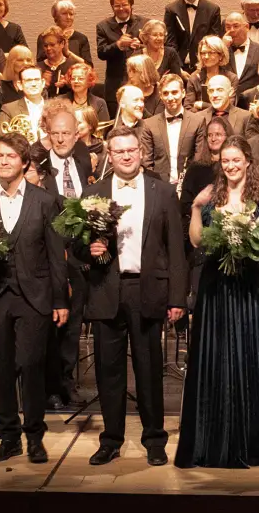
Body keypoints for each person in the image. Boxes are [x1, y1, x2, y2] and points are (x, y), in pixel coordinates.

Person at [78, 126, 187, 467]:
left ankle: (154, 439)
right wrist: (89, 248)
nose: (126, 156)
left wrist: (177, 298)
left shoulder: (163, 191)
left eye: (131, 150)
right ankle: (111, 440)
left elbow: (176, 250)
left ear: (140, 153)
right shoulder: (93, 192)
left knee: (149, 368)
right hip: (106, 289)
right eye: (119, 151)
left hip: (147, 289)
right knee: (108, 371)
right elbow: (76, 244)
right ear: (109, 155)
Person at [0, 133, 67, 464]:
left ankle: (35, 437)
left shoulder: (43, 200)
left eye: (10, 156)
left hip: (34, 296)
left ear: (24, 162)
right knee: (1, 368)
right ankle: (8, 436)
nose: (3, 161)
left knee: (31, 365)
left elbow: (56, 255)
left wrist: (60, 300)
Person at [32, 101, 95, 407]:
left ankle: (67, 381)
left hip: (80, 256)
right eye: (55, 133)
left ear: (75, 135)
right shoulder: (38, 165)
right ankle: (49, 385)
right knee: (51, 323)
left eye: (66, 133)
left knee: (74, 322)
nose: (60, 139)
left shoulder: (83, 160)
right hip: (49, 258)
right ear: (48, 133)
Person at [165, 0, 223, 72]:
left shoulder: (213, 10)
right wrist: (178, 68)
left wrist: (201, 67)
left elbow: (213, 41)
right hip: (178, 68)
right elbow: (170, 42)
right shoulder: (171, 10)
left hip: (204, 67)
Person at [96, 0, 149, 95]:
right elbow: (101, 53)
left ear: (131, 5)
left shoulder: (144, 23)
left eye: (124, 5)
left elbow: (153, 48)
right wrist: (118, 45)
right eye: (117, 6)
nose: (121, 8)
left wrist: (140, 46)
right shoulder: (102, 26)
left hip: (140, 82)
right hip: (115, 83)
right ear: (112, 7)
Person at [38, 0, 94, 68]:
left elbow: (89, 67)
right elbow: (40, 64)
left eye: (71, 14)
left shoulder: (81, 38)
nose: (68, 17)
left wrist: (68, 53)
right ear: (55, 16)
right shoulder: (45, 37)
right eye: (64, 13)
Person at [224, 7, 259, 94]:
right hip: (227, 102)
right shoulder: (221, 51)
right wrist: (222, 47)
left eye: (236, 26)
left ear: (247, 27)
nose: (231, 30)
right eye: (228, 27)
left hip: (252, 102)